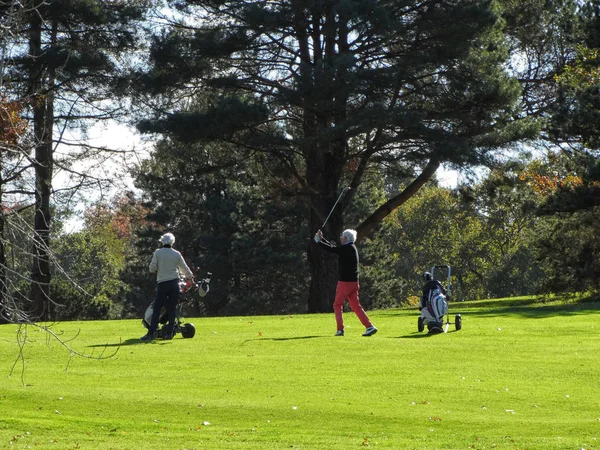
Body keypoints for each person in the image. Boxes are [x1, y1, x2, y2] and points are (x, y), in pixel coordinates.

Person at [314, 228, 378, 337]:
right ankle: (369, 326)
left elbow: (333, 250)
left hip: (345, 282)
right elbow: (335, 248)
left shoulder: (347, 248)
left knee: (337, 305)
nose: (340, 238)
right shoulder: (351, 247)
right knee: (356, 306)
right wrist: (321, 239)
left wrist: (319, 242)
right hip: (353, 283)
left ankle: (340, 330)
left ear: (346, 238)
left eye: (342, 236)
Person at [141, 232, 194, 341]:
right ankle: (169, 333)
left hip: (163, 284)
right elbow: (184, 268)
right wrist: (190, 278)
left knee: (157, 309)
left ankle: (151, 333)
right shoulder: (176, 254)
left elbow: (152, 268)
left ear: (162, 241)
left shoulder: (158, 253)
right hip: (174, 284)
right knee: (171, 309)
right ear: (172, 242)